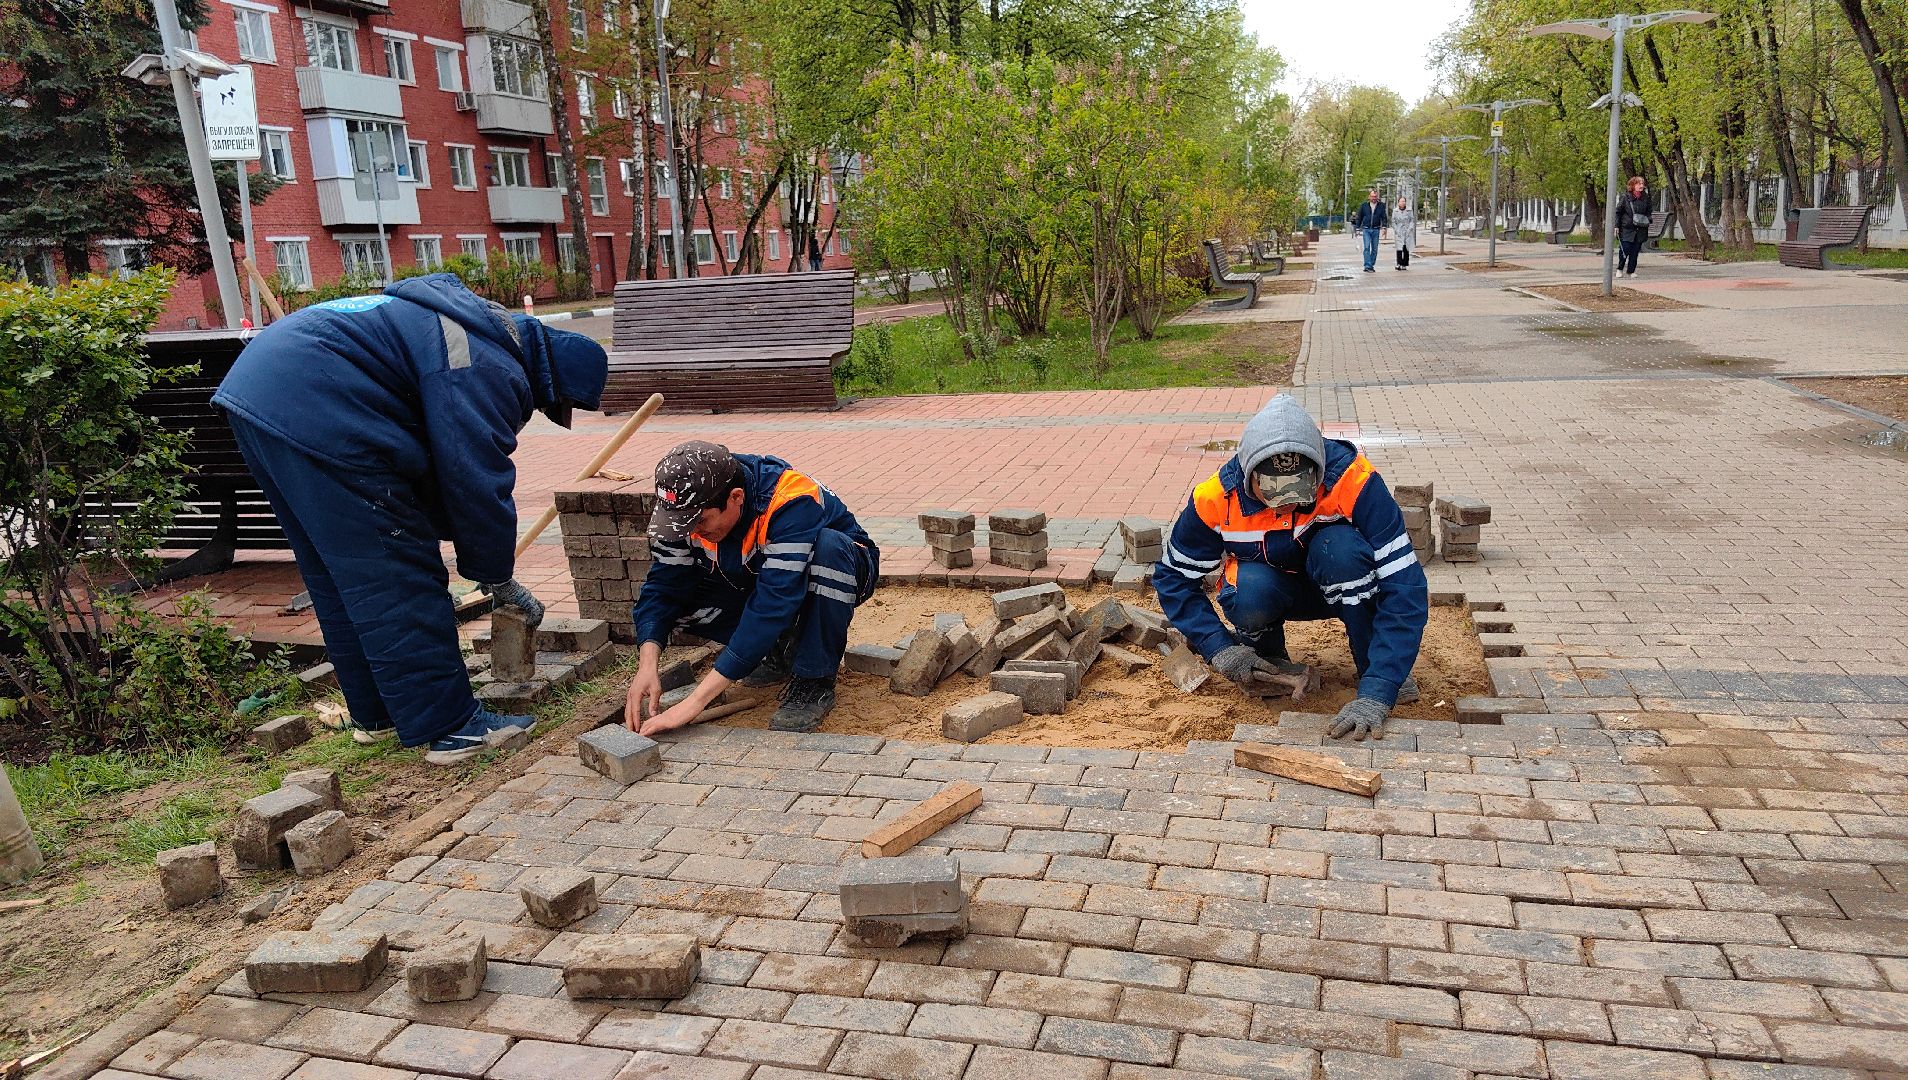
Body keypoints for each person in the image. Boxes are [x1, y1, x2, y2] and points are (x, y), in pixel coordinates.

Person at [213, 274, 609, 765]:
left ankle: (378, 715)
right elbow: (474, 479)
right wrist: (497, 577)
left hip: (263, 398)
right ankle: (450, 727)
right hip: (319, 403)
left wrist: (474, 554)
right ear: (550, 378)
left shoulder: (462, 327)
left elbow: (442, 474)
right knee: (400, 569)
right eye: (553, 404)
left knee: (341, 575)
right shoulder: (487, 363)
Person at [1153, 394, 1428, 741]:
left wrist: (1381, 688)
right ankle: (1266, 655)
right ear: (1249, 476)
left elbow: (1405, 586)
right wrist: (1218, 648)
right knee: (1247, 588)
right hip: (1269, 589)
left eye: (1299, 494)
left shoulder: (1354, 481)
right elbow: (1173, 578)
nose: (1285, 507)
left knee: (1342, 551)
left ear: (1318, 471)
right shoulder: (1216, 498)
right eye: (1273, 494)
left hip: (1341, 584)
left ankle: (1373, 665)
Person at [626, 442, 879, 736]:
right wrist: (647, 665)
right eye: (684, 524)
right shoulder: (685, 505)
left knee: (828, 548)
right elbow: (662, 587)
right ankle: (778, 649)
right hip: (757, 573)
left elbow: (774, 602)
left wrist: (694, 703)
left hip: (843, 567)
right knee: (679, 601)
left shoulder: (791, 500)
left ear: (736, 497)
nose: (692, 532)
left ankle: (814, 679)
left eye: (700, 522)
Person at [1617, 175, 1652, 278]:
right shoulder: (1625, 197)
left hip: (1640, 228)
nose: (1641, 185)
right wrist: (1616, 226)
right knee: (1625, 248)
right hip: (1627, 228)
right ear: (1633, 185)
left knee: (1635, 250)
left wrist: (1647, 219)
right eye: (1638, 183)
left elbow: (1649, 211)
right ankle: (1620, 268)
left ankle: (1631, 271)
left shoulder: (1646, 197)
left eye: (1642, 183)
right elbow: (1618, 212)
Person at [1350, 189, 1390, 273]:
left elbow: (1384, 217)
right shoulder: (1364, 205)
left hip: (1376, 229)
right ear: (1369, 197)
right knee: (1367, 247)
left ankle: (1370, 264)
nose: (1374, 198)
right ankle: (1368, 265)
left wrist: (1384, 227)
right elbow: (1359, 217)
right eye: (1372, 196)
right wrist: (1357, 228)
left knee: (1375, 249)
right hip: (1366, 229)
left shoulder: (1381, 206)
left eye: (1375, 196)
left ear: (1377, 197)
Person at [1393, 196, 1417, 270]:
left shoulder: (1409, 210)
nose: (1403, 203)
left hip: (1407, 230)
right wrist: (1396, 229)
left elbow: (1412, 220)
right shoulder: (1395, 211)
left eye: (1404, 201)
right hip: (1399, 230)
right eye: (1401, 201)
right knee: (1399, 248)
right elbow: (1393, 221)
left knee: (1406, 247)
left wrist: (1410, 228)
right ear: (1398, 202)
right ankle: (1399, 263)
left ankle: (1405, 264)